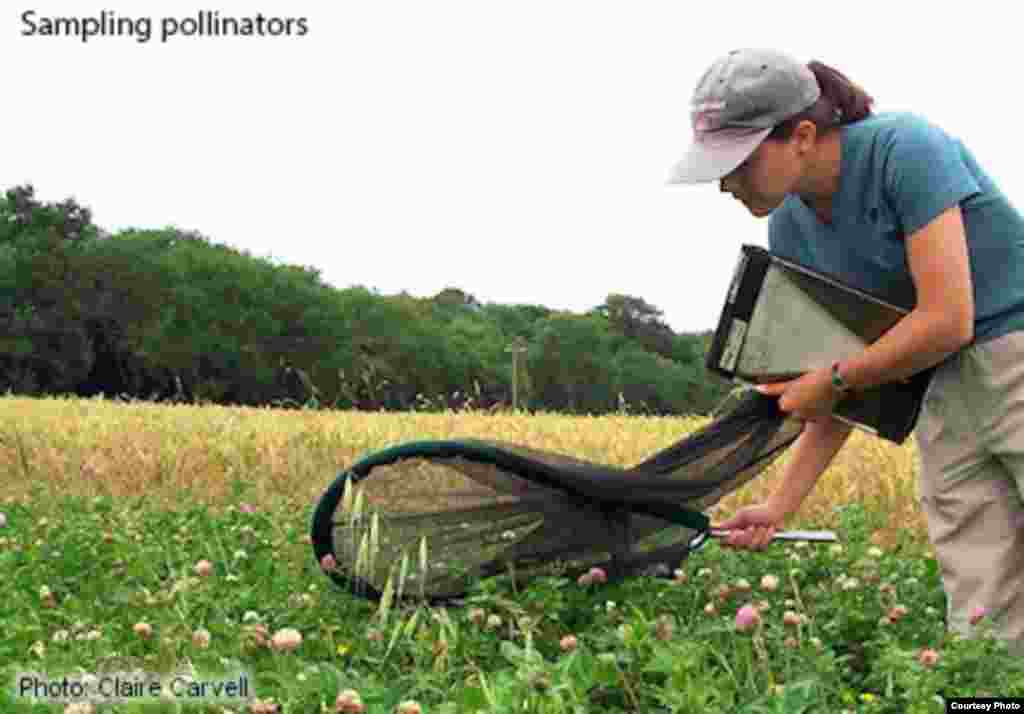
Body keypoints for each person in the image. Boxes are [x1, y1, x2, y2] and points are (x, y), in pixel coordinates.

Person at [668, 48, 1024, 655]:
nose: (726, 183)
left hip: (1012, 354)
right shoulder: (790, 228)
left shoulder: (904, 149)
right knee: (982, 613)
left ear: (802, 136)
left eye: (739, 162)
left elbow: (948, 317)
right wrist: (780, 505)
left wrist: (832, 379)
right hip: (938, 390)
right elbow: (850, 379)